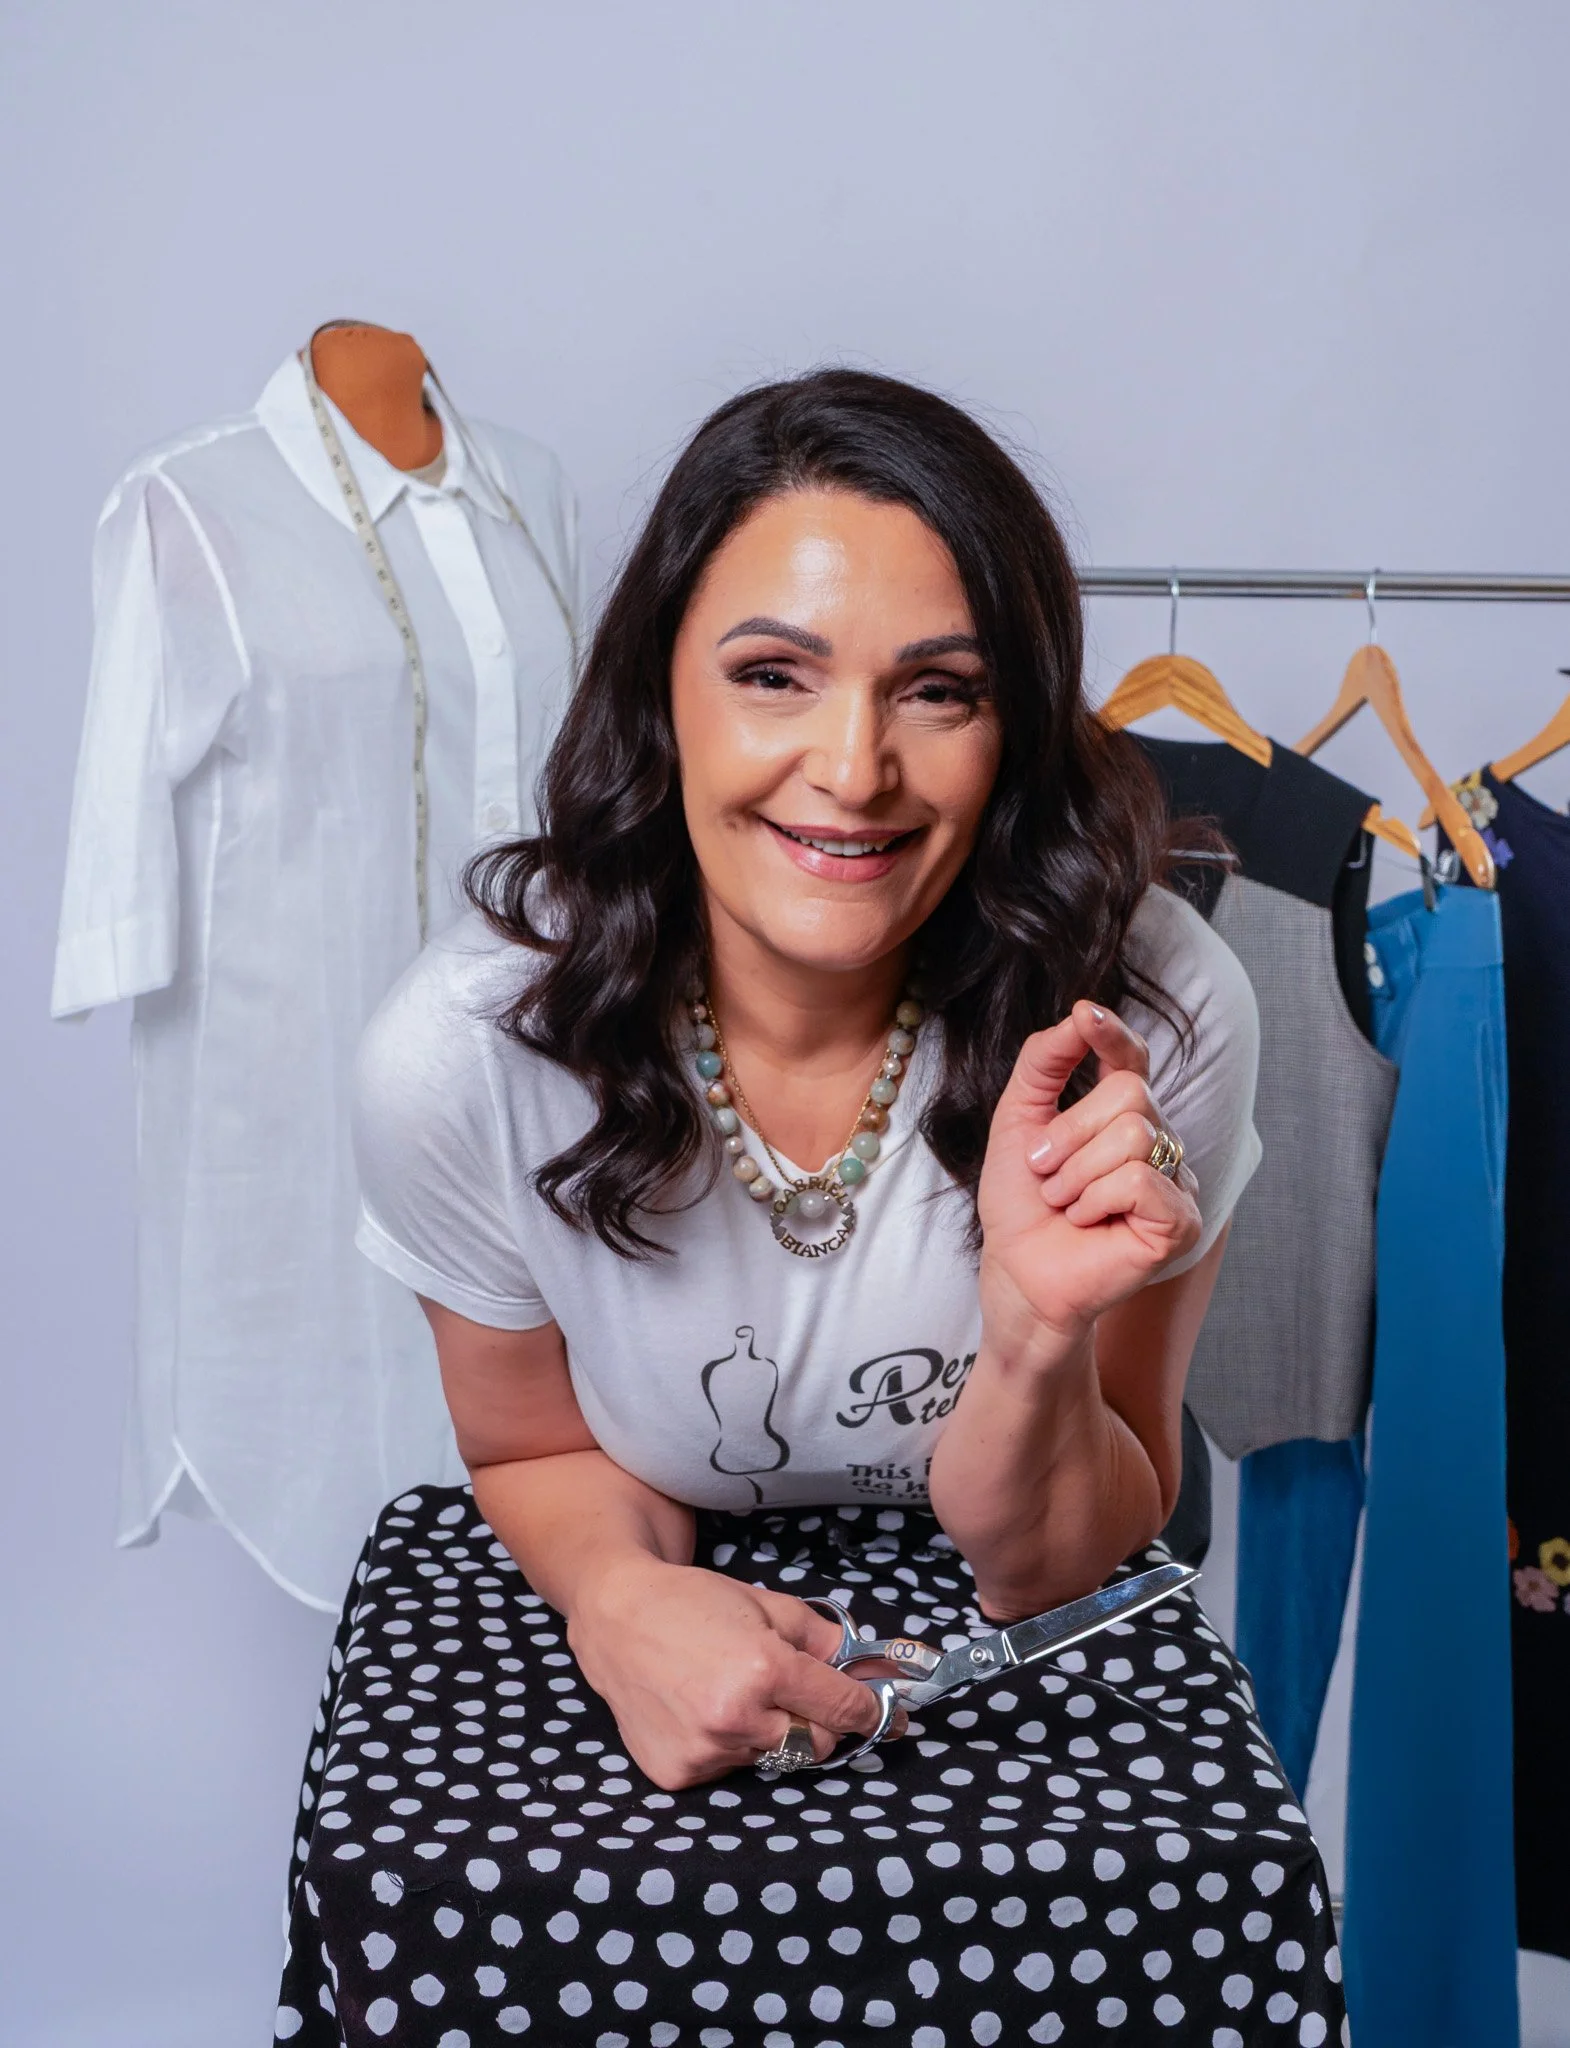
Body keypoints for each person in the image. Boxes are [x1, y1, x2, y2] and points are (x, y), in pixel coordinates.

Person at [277, 370, 1346, 2047]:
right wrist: (622, 1603)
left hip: (1021, 1622)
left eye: (940, 692)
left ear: (1017, 729)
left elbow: (1078, 1543)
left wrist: (1032, 1336)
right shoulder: (464, 1052)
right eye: (773, 675)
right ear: (663, 695)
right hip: (640, 1585)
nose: (850, 772)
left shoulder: (1160, 1019)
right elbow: (528, 1448)